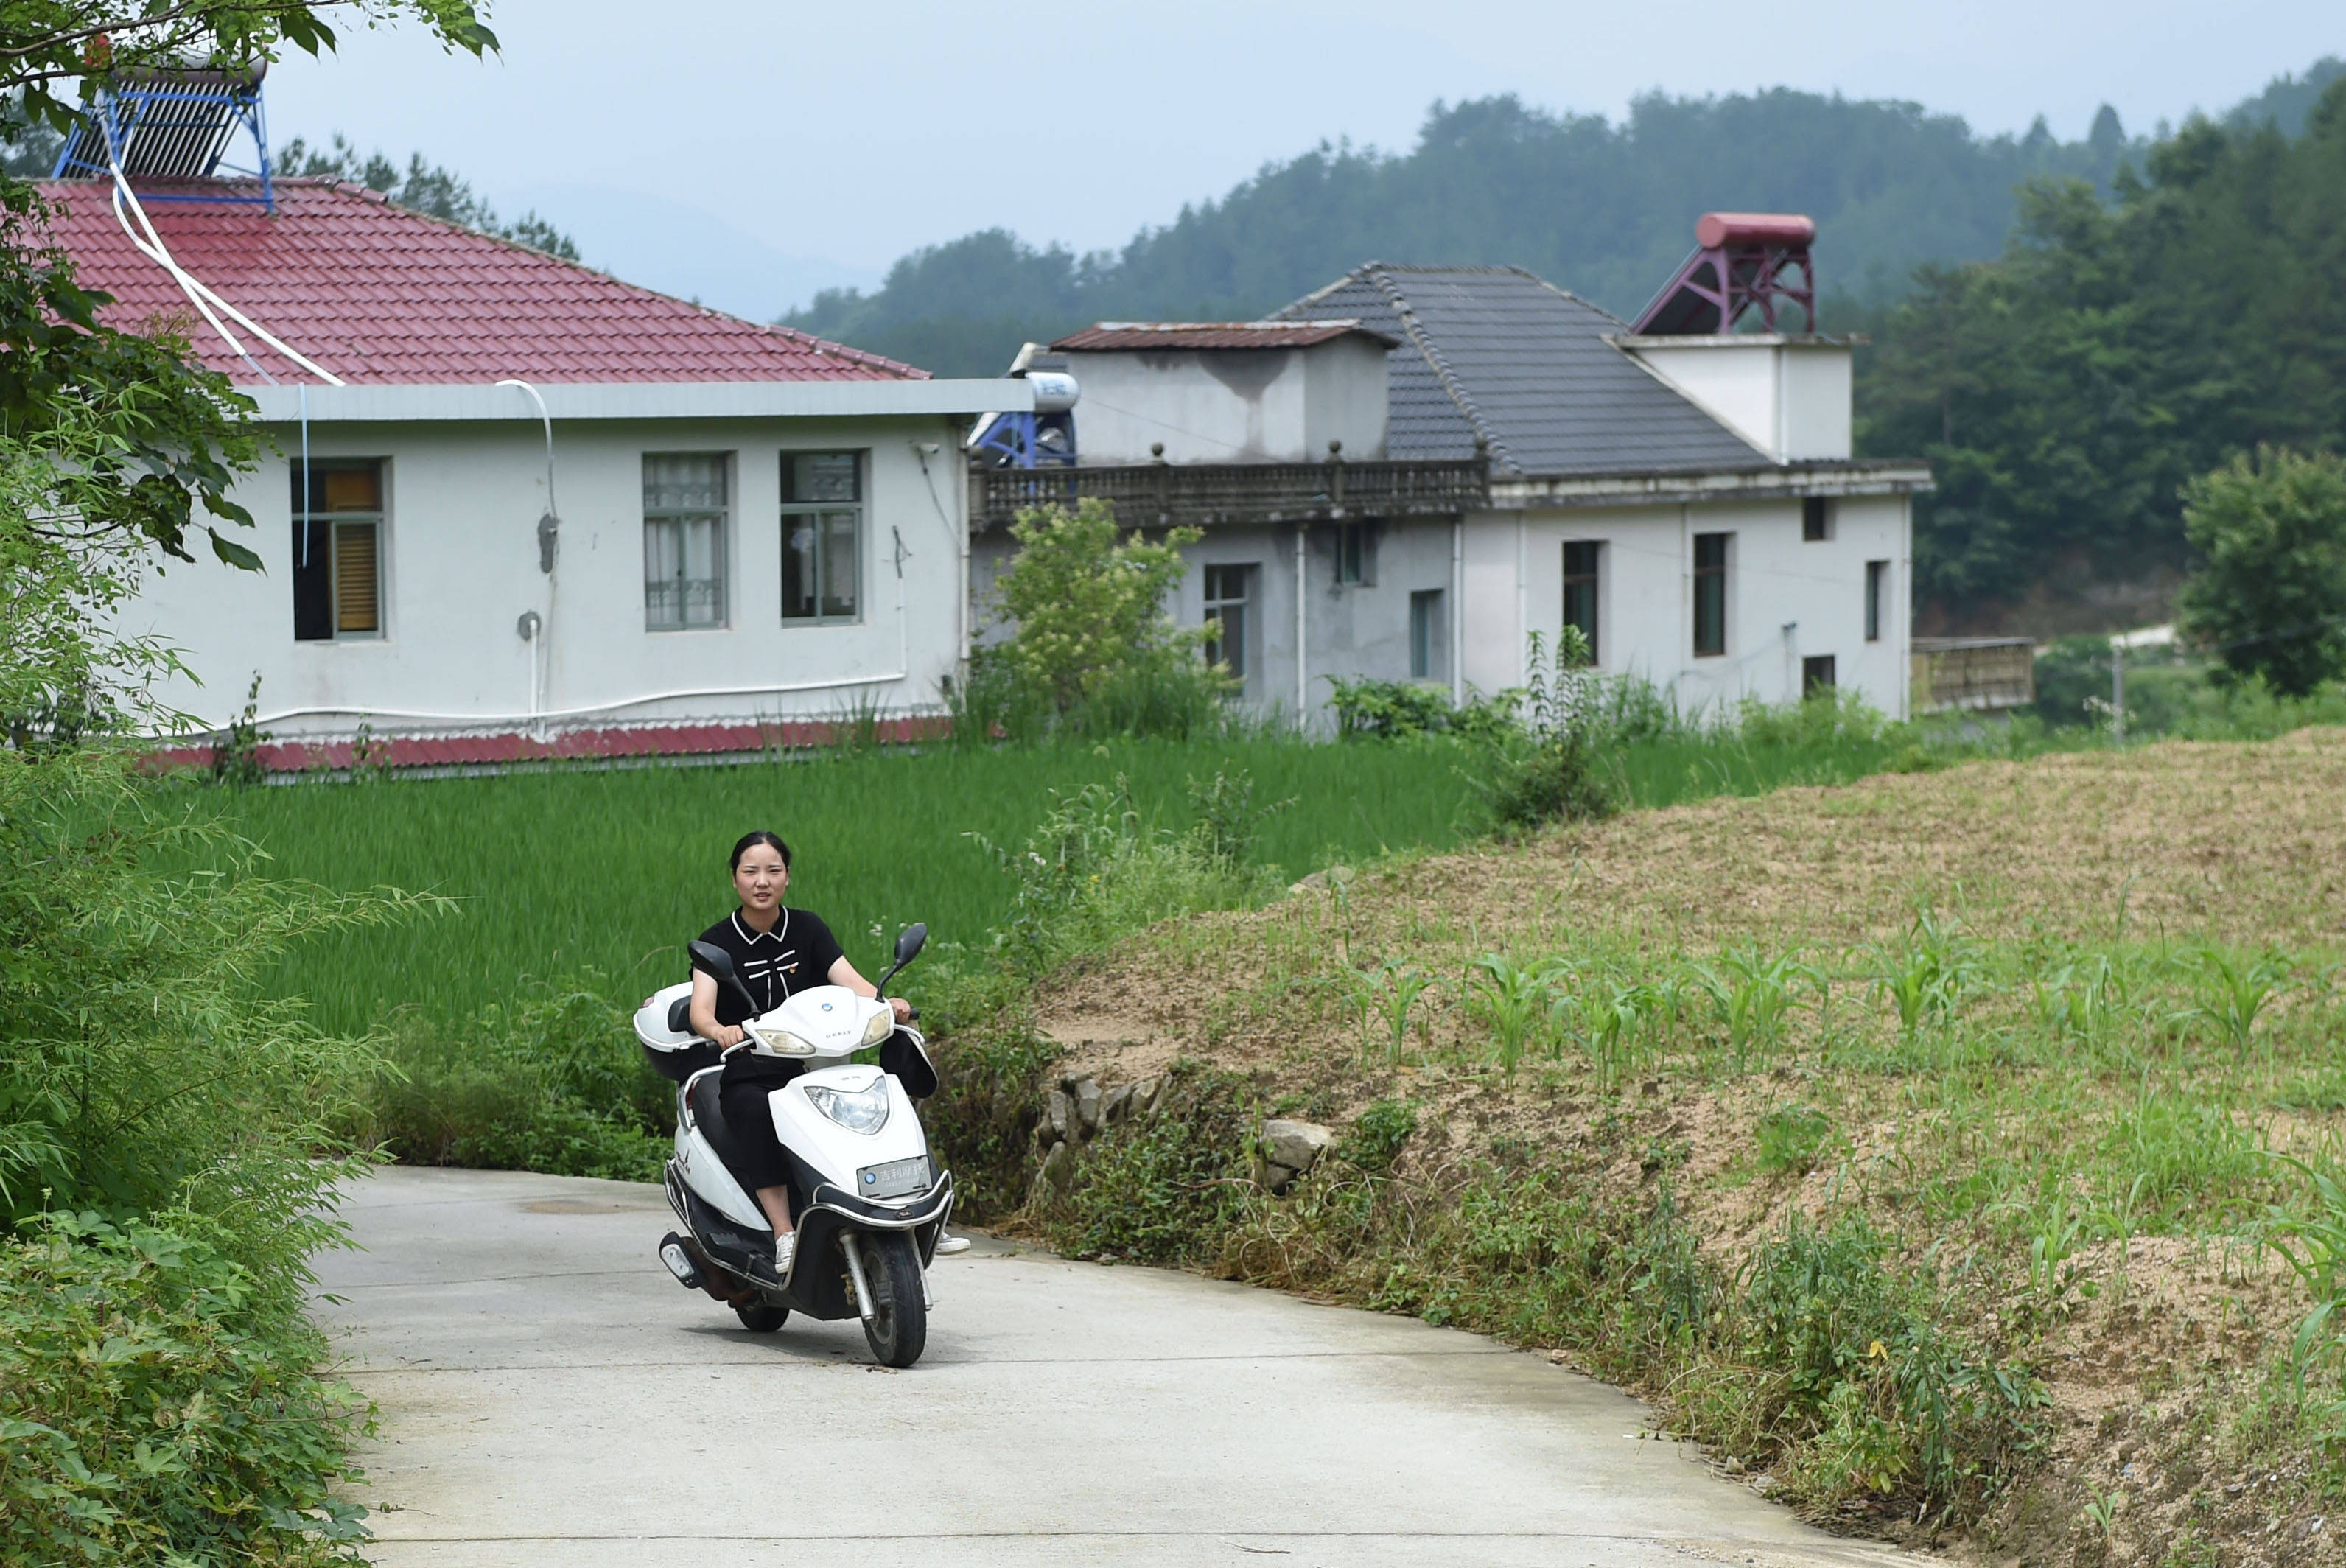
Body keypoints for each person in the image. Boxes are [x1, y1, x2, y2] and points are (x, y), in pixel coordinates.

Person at [687, 830, 966, 1285]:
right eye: (751, 872)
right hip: (755, 1066)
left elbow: (850, 981)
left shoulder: (808, 928)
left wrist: (885, 1002)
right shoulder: (717, 942)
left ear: (788, 877)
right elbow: (701, 1010)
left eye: (773, 871)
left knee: (881, 1097)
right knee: (754, 1110)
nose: (763, 881)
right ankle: (784, 1233)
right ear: (735, 879)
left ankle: (915, 1210)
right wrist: (721, 1030)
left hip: (822, 1061)